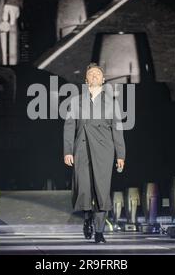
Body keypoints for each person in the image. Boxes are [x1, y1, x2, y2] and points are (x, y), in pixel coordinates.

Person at [63, 63, 126, 243]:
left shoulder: (112, 102)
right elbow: (69, 127)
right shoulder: (76, 102)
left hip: (104, 151)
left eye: (98, 74)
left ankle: (99, 231)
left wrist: (121, 154)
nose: (94, 76)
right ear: (86, 80)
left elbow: (118, 130)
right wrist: (68, 151)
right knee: (84, 188)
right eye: (91, 74)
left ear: (103, 79)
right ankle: (87, 217)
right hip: (82, 149)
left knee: (101, 190)